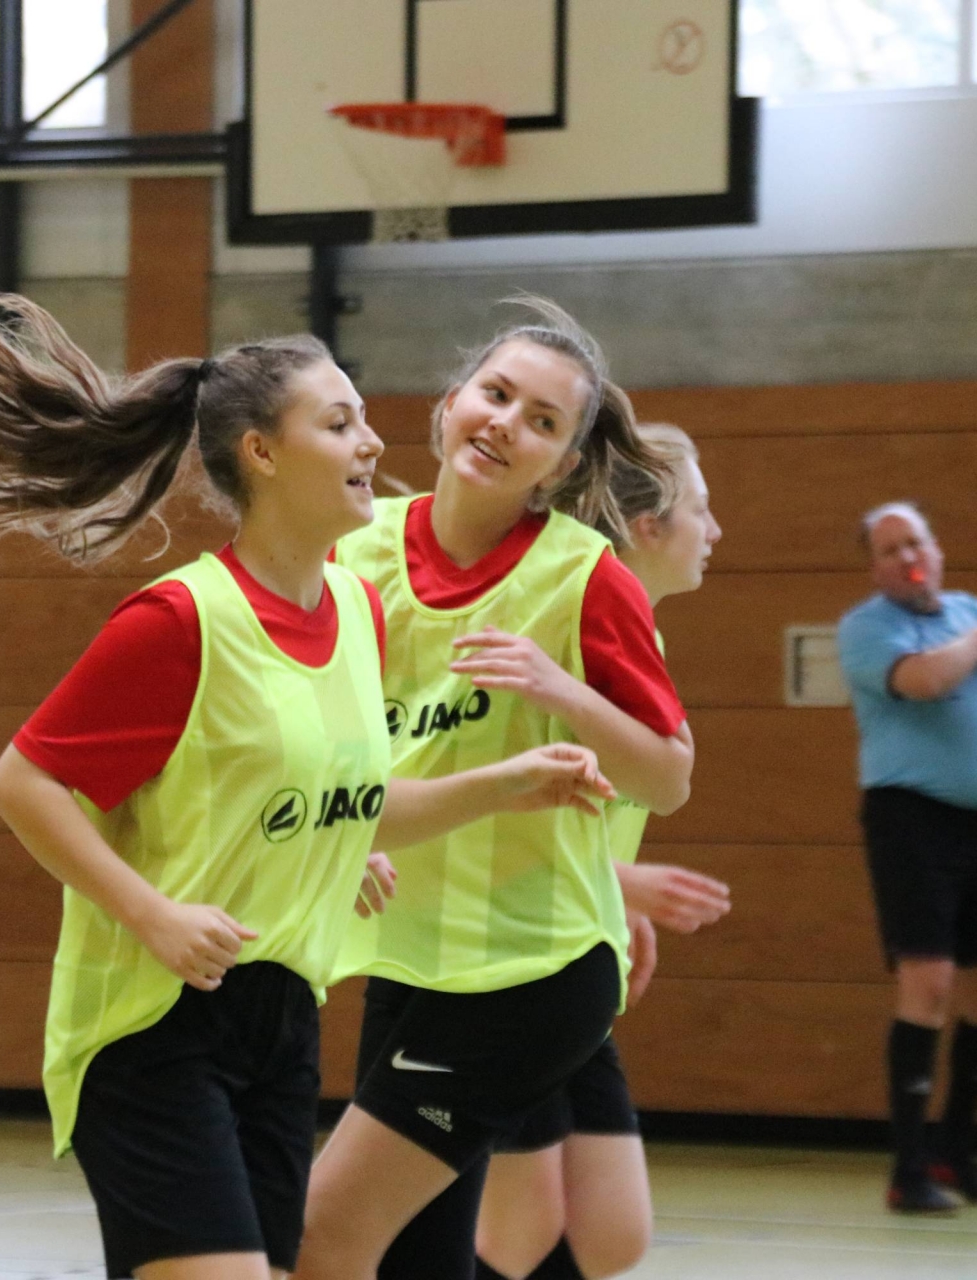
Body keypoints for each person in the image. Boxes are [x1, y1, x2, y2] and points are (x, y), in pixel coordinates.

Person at [0, 292, 617, 1280]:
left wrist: (484, 792)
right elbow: (24, 782)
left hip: (282, 1022)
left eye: (363, 418)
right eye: (339, 423)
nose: (372, 440)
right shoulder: (179, 621)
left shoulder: (357, 612)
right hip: (156, 1022)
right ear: (263, 453)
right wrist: (150, 912)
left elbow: (349, 798)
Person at [296, 298, 697, 1280]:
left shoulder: (583, 577)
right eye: (498, 393)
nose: (508, 422)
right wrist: (341, 837)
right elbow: (314, 743)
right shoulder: (353, 553)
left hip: (525, 974)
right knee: (421, 1258)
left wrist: (561, 690)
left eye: (543, 420)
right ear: (450, 405)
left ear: (559, 465)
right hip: (407, 959)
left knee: (324, 1234)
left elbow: (668, 776)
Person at [471, 423, 731, 1280]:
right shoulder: (560, 630)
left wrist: (610, 897)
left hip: (573, 951)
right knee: (518, 1230)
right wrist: (617, 880)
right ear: (648, 527)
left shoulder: (637, 638)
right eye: (701, 509)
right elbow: (484, 819)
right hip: (504, 961)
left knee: (611, 1233)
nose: (715, 529)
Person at [836, 501, 977, 1215]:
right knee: (929, 982)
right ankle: (908, 1170)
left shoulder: (973, 611)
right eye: (890, 550)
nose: (908, 556)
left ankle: (955, 1150)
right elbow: (925, 680)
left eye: (916, 542)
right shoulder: (867, 628)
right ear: (875, 569)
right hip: (912, 821)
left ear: (936, 549)